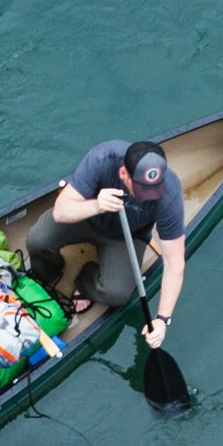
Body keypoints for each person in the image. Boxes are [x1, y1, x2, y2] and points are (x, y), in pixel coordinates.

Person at [25, 140, 185, 348]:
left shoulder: (169, 196)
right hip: (87, 216)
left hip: (125, 236)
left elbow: (175, 264)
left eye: (153, 190)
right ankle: (48, 272)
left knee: (116, 293)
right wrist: (97, 205)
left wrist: (163, 319)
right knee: (37, 240)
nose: (147, 197)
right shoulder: (102, 159)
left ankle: (85, 281)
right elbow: (62, 211)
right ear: (123, 174)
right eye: (141, 189)